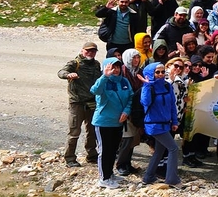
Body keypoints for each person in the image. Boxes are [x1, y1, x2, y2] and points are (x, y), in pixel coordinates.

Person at [89, 56, 132, 189]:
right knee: (104, 151)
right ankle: (103, 178)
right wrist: (104, 76)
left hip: (118, 122)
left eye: (118, 67)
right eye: (113, 67)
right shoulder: (103, 81)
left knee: (113, 150)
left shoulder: (124, 82)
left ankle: (110, 173)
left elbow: (130, 98)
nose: (116, 70)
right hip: (103, 122)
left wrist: (126, 111)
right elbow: (94, 90)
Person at [60, 41, 102, 167]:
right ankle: (70, 158)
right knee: (74, 132)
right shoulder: (75, 63)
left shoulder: (96, 64)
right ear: (82, 50)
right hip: (77, 103)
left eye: (93, 51)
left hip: (92, 103)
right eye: (88, 50)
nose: (90, 53)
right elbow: (61, 72)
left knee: (92, 130)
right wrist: (68, 75)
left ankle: (91, 154)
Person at [140, 63, 181, 187]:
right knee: (173, 148)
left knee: (159, 150)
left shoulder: (167, 86)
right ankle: (172, 179)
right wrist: (147, 85)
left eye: (163, 72)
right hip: (154, 125)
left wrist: (174, 121)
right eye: (157, 72)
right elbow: (145, 102)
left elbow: (172, 105)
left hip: (166, 124)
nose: (161, 75)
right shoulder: (148, 88)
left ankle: (148, 177)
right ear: (150, 74)